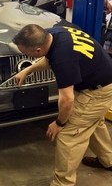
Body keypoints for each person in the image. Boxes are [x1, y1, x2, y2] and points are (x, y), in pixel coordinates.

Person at [12, 24, 112, 186]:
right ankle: (108, 160)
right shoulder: (54, 33)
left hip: (97, 91)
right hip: (101, 80)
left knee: (69, 134)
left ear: (37, 50)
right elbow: (47, 58)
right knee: (91, 123)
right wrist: (27, 70)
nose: (24, 55)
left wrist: (59, 123)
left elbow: (67, 100)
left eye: (25, 53)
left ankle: (62, 183)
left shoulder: (63, 59)